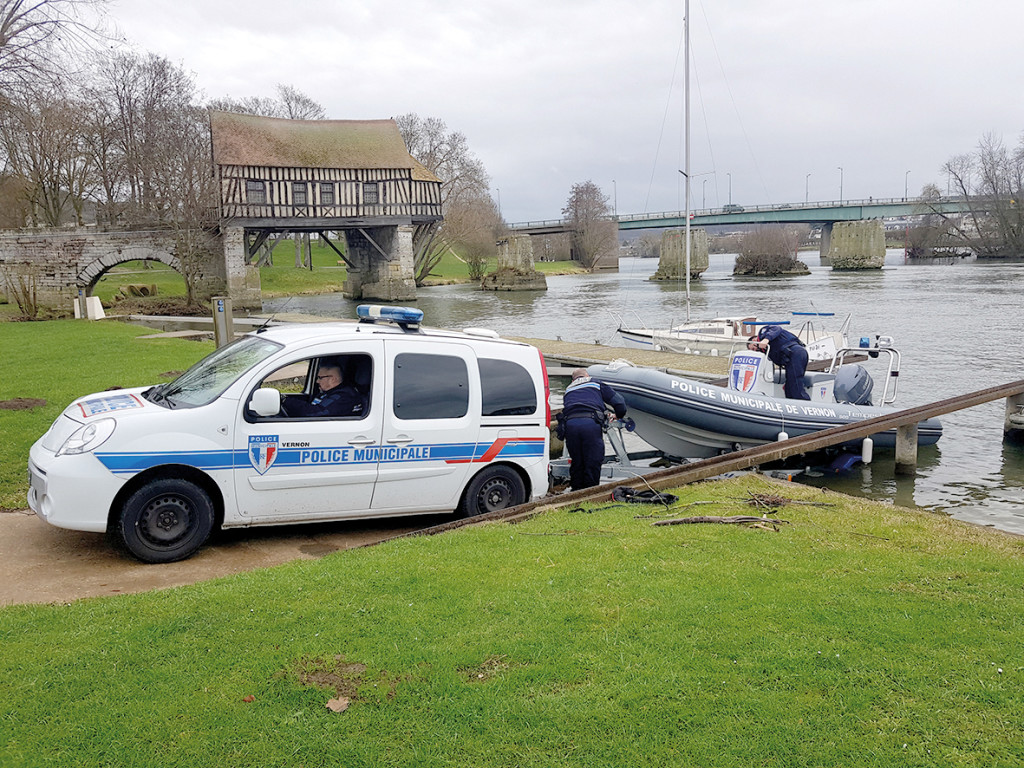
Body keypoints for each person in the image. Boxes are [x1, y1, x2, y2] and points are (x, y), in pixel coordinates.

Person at [561, 368, 627, 491]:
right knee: (592, 460)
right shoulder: (595, 383)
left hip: (570, 426)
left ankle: (576, 493)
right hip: (590, 425)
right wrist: (618, 415)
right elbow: (619, 402)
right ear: (587, 375)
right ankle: (591, 493)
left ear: (573, 379)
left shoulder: (568, 390)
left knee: (577, 462)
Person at [283, 360, 365, 417]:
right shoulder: (328, 392)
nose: (317, 381)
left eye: (320, 377)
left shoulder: (344, 398)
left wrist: (286, 401)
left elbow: (315, 413)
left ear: (333, 379)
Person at [747, 325, 810, 400]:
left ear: (754, 340)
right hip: (790, 361)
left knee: (795, 383)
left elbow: (776, 328)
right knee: (788, 389)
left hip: (795, 353)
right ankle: (792, 404)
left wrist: (766, 339)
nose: (756, 350)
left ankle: (804, 402)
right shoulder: (767, 352)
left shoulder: (763, 332)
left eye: (754, 347)